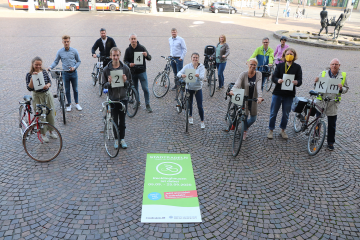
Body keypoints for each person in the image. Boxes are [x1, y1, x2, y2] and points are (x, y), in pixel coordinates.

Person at [314, 58, 349, 151]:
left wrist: (341, 89)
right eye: (332, 64)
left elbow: (346, 88)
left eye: (336, 64)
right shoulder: (323, 73)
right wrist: (315, 82)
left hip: (333, 102)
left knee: (332, 124)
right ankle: (315, 137)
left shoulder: (343, 75)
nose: (334, 66)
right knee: (318, 121)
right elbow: (316, 86)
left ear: (339, 66)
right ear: (330, 65)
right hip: (322, 101)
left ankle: (330, 142)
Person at [268, 48, 302, 139]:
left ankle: (283, 130)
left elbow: (300, 80)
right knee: (273, 113)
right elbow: (273, 77)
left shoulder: (297, 67)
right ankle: (271, 130)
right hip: (278, 93)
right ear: (284, 55)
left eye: (291, 54)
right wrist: (278, 80)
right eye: (287, 54)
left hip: (289, 95)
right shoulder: (280, 66)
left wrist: (296, 82)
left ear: (294, 56)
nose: (289, 55)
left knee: (286, 114)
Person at [102, 47, 132, 149]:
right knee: (114, 120)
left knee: (122, 121)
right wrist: (109, 83)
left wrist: (125, 81)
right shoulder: (106, 69)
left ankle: (122, 139)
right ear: (111, 56)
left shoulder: (125, 68)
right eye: (114, 55)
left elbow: (130, 84)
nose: (115, 57)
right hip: (113, 99)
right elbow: (103, 86)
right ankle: (116, 139)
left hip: (123, 98)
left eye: (117, 55)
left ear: (120, 55)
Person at [229, 58, 264, 140]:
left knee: (253, 118)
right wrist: (232, 90)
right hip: (244, 98)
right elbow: (237, 84)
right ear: (248, 64)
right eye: (251, 64)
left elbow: (259, 86)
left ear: (256, 66)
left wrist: (260, 96)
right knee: (244, 116)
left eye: (254, 64)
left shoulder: (259, 74)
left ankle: (244, 127)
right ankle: (244, 131)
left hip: (253, 99)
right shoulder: (243, 74)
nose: (252, 66)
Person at [26, 57, 57, 143]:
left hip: (47, 95)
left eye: (40, 64)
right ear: (33, 64)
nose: (38, 66)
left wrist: (48, 85)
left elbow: (50, 81)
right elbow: (29, 88)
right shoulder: (29, 74)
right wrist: (33, 78)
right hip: (37, 96)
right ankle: (43, 134)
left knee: (50, 113)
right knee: (41, 115)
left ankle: (51, 131)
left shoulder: (44, 71)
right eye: (36, 64)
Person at [49, 35, 82, 112]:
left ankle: (77, 103)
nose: (66, 43)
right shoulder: (60, 52)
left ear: (70, 42)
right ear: (62, 42)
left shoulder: (74, 51)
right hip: (65, 73)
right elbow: (56, 61)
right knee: (67, 90)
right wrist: (50, 67)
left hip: (74, 73)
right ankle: (69, 104)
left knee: (75, 89)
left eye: (67, 41)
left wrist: (74, 67)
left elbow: (79, 61)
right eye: (65, 42)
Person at [123, 33, 152, 113]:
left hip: (142, 72)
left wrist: (146, 55)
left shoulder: (142, 48)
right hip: (133, 73)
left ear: (136, 39)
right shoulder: (128, 50)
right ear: (129, 40)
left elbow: (149, 58)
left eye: (134, 39)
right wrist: (129, 64)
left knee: (145, 88)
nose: (133, 40)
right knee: (135, 89)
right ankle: (137, 102)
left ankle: (147, 104)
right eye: (132, 39)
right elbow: (125, 61)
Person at [177, 53, 206, 129]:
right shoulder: (187, 66)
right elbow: (178, 73)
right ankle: (190, 116)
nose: (195, 59)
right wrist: (181, 75)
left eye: (196, 57)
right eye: (194, 57)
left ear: (198, 59)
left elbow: (202, 77)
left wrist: (198, 76)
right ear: (191, 58)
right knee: (190, 104)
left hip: (198, 89)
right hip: (189, 88)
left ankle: (202, 121)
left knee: (200, 106)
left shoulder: (201, 67)